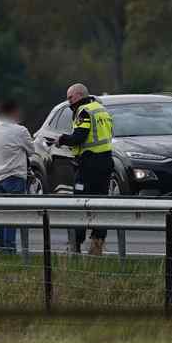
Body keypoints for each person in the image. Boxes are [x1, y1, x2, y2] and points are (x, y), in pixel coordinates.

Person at [53, 83, 115, 255]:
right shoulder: (101, 109)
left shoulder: (84, 111)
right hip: (106, 162)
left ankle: (75, 245)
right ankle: (97, 245)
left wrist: (62, 139)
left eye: (70, 98)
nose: (68, 102)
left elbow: (79, 137)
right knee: (100, 204)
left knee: (80, 203)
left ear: (79, 95)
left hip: (89, 165)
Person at [0, 98, 34, 253]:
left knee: (1, 214)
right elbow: (31, 150)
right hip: (14, 176)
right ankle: (9, 248)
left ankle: (0, 246)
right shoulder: (20, 130)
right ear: (13, 112)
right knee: (12, 215)